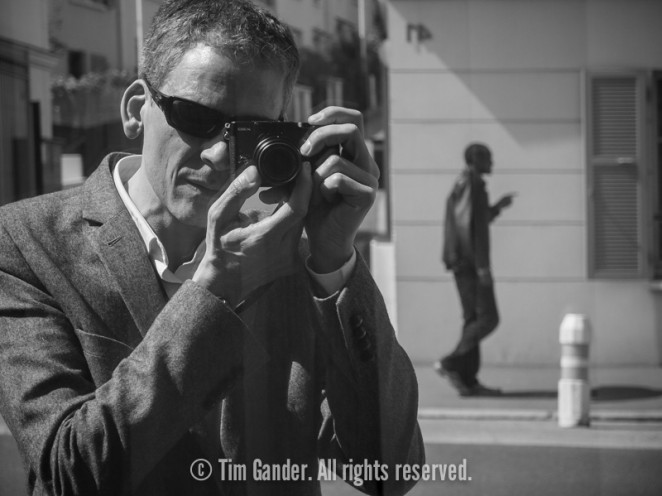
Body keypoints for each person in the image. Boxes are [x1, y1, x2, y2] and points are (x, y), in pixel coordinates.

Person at [0, 1, 423, 495]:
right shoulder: (24, 242)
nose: (220, 154)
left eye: (250, 133)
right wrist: (213, 291)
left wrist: (336, 261)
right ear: (137, 110)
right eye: (195, 117)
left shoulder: (291, 255)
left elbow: (389, 470)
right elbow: (70, 471)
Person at [435, 143, 514, 397]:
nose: (492, 163)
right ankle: (451, 363)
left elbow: (472, 220)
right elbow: (467, 228)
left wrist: (496, 208)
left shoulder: (464, 184)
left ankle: (468, 380)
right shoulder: (473, 184)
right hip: (470, 265)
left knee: (472, 320)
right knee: (488, 318)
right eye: (488, 158)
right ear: (476, 160)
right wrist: (481, 267)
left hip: (462, 263)